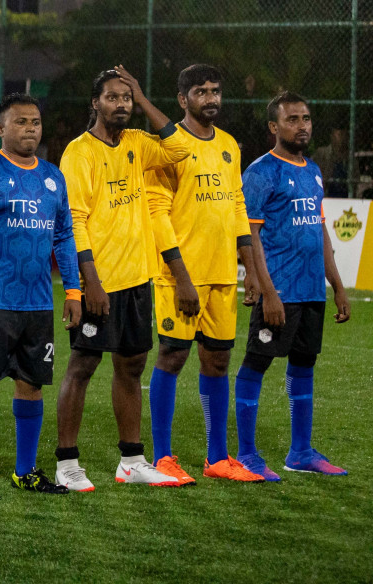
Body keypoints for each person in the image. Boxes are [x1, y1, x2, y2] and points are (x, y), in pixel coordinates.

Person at [54, 66, 193, 492]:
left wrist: (143, 94)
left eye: (127, 98)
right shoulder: (79, 153)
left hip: (137, 279)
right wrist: (88, 281)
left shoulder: (136, 143)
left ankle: (132, 460)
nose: (121, 105)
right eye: (113, 97)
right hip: (101, 282)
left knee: (131, 367)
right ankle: (67, 464)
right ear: (95, 103)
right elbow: (74, 221)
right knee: (83, 365)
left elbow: (181, 148)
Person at [0, 93, 81, 498]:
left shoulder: (52, 176)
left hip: (38, 301)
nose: (30, 129)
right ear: (0, 128)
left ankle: (24, 471)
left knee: (32, 383)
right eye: (21, 122)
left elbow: (63, 235)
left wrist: (73, 290)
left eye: (36, 122)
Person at [145, 64, 264, 485]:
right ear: (183, 100)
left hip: (220, 276)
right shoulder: (167, 149)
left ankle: (217, 457)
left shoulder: (230, 145)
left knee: (217, 361)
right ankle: (162, 458)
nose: (210, 98)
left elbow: (236, 209)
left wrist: (249, 269)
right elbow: (158, 215)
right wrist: (181, 277)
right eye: (201, 92)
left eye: (215, 91)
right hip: (179, 277)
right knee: (173, 356)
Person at [236, 93, 352, 478]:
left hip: (312, 290)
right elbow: (248, 237)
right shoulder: (260, 172)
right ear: (274, 126)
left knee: (304, 365)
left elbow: (319, 230)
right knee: (257, 363)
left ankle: (300, 451)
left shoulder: (313, 170)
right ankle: (246, 454)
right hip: (279, 291)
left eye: (306, 118)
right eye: (292, 119)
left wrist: (336, 284)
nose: (302, 125)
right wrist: (267, 291)